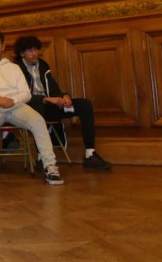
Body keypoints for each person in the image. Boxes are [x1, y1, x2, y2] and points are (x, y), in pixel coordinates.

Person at [0, 30, 64, 187]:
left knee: (38, 120)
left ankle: (50, 166)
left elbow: (26, 93)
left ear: (3, 46)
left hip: (16, 106)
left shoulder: (13, 67)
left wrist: (11, 100)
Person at [13, 35, 112, 170]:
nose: (34, 53)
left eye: (35, 49)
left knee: (85, 105)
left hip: (49, 106)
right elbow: (20, 95)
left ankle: (90, 154)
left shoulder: (42, 65)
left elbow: (53, 88)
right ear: (21, 53)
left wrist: (64, 96)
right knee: (38, 107)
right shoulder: (15, 68)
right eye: (30, 50)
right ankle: (43, 158)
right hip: (30, 107)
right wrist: (45, 99)